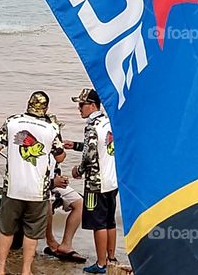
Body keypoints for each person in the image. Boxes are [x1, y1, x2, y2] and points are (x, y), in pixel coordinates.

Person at [0, 92, 65, 275]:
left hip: (13, 188)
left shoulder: (12, 121)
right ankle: (26, 271)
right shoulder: (51, 127)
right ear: (46, 108)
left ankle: (0, 268)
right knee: (32, 232)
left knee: (6, 229)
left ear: (28, 104)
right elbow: (60, 156)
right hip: (38, 191)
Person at [70, 88, 119, 274]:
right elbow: (101, 147)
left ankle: (101, 264)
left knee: (98, 223)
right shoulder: (109, 122)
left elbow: (90, 155)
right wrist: (74, 145)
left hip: (95, 184)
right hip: (112, 181)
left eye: (81, 105)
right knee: (110, 221)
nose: (78, 108)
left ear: (92, 106)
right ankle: (111, 258)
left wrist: (78, 170)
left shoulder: (91, 126)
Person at [43, 114, 86, 264]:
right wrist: (52, 182)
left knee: (80, 203)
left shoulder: (56, 147)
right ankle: (51, 241)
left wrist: (60, 180)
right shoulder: (38, 147)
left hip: (53, 184)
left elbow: (56, 166)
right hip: (42, 186)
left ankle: (66, 244)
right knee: (47, 203)